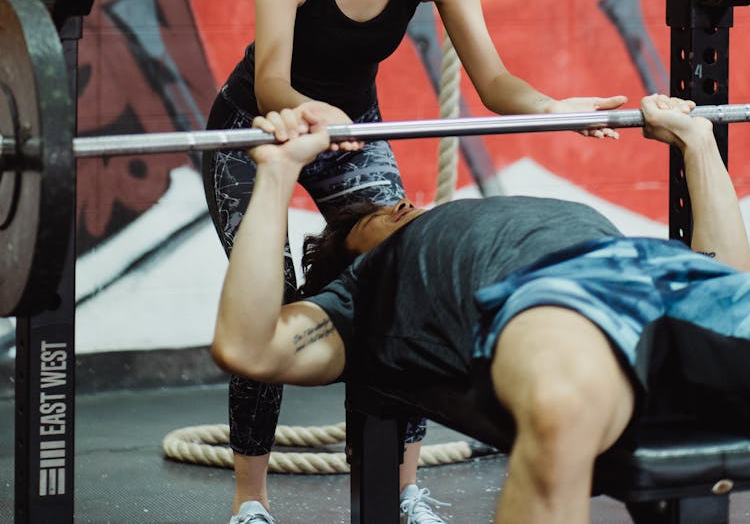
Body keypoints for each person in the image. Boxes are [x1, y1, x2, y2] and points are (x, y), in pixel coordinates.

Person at [202, 0, 627, 524]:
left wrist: (554, 107)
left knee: (400, 273)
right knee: (269, 292)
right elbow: (271, 78)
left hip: (352, 126)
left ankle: (403, 484)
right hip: (257, 130)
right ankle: (251, 499)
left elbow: (494, 81)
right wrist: (307, 115)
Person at [212, 95, 750, 524]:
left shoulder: (494, 216)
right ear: (353, 258)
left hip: (655, 272)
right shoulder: (364, 293)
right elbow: (247, 347)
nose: (400, 203)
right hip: (558, 300)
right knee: (561, 409)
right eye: (373, 219)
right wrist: (278, 173)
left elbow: (727, 278)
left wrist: (695, 142)